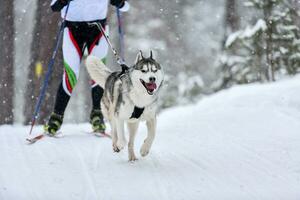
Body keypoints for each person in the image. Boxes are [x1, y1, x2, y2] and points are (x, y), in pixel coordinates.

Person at [45, 0, 130, 135]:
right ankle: (56, 117)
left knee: (98, 73)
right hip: (72, 30)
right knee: (71, 75)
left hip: (98, 30)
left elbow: (126, 7)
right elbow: (54, 6)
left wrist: (119, 2)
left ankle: (97, 116)